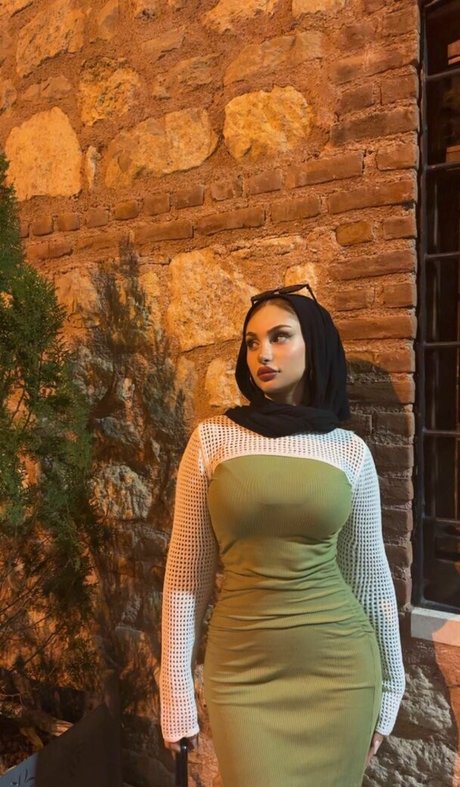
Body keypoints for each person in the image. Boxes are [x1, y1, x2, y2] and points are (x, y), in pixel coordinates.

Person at [160, 282, 405, 786]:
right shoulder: (213, 440)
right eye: (252, 342)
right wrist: (175, 690)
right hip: (243, 674)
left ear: (314, 346)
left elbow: (370, 578)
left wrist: (392, 685)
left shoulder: (348, 450)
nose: (263, 355)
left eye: (280, 337)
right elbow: (186, 578)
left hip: (339, 672)